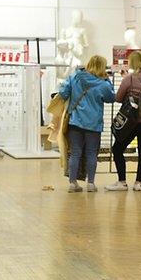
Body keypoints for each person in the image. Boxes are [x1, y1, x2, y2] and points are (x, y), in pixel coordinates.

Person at [58, 55, 115, 192]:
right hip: (93, 124)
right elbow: (112, 98)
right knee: (91, 153)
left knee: (75, 153)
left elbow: (63, 92)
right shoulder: (103, 84)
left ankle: (73, 183)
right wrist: (108, 81)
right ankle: (90, 183)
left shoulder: (76, 77)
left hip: (75, 121)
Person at [106, 51, 141, 192]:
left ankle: (122, 181)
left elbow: (118, 97)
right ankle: (138, 182)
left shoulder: (129, 78)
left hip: (132, 121)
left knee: (117, 148)